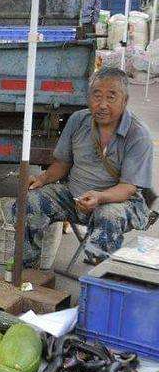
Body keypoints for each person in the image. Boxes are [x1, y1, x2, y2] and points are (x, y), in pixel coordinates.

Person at [14, 67, 153, 267]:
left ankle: (98, 282)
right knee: (28, 201)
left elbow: (128, 187)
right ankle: (27, 270)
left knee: (108, 216)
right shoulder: (78, 120)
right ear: (88, 97)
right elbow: (63, 164)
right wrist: (42, 178)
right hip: (73, 197)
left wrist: (99, 197)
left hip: (117, 202)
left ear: (125, 100)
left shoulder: (138, 135)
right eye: (97, 96)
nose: (102, 105)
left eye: (111, 97)